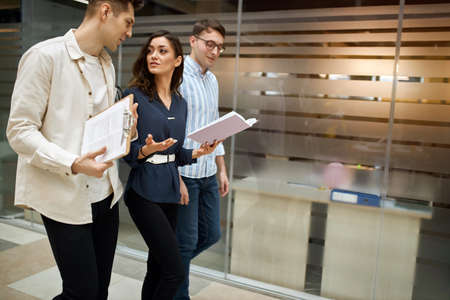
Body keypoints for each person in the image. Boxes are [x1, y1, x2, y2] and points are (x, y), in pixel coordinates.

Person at [6, 1, 143, 299]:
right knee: (80, 292)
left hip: (106, 196)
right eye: (128, 22)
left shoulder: (107, 63)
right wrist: (74, 163)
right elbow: (19, 131)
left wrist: (127, 131)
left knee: (98, 291)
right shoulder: (44, 57)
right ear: (106, 12)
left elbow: (98, 131)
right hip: (64, 196)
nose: (130, 33)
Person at [122, 30, 222, 300]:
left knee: (156, 267)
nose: (154, 55)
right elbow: (126, 153)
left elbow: (176, 154)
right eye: (151, 50)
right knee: (175, 271)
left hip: (170, 193)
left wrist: (198, 152)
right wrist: (145, 149)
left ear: (177, 60)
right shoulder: (133, 96)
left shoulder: (180, 103)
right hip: (143, 193)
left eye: (162, 51)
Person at [174, 19, 229, 300]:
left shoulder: (212, 79)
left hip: (208, 172)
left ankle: (166, 268)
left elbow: (214, 124)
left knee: (211, 235)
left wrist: (222, 168)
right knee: (185, 244)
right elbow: (168, 128)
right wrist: (176, 176)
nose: (215, 51)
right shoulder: (176, 73)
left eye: (220, 46)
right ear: (193, 41)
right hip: (185, 172)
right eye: (210, 44)